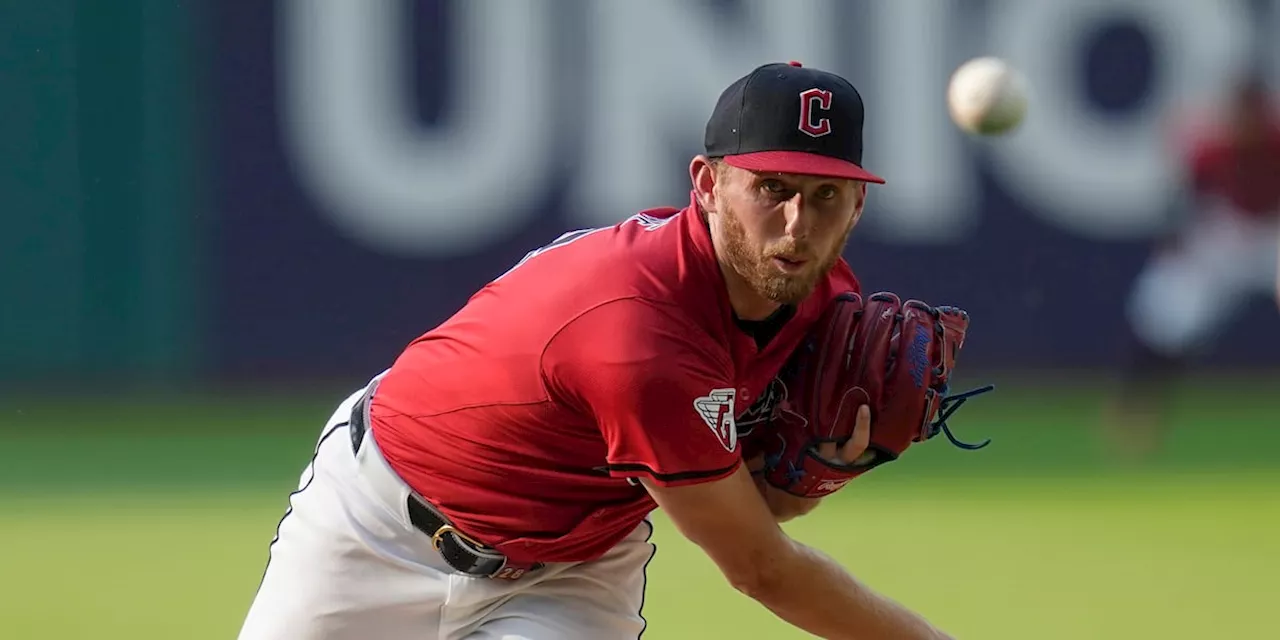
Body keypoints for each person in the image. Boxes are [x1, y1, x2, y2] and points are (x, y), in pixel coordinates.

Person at [237, 61, 955, 640]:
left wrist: (819, 472)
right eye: (771, 188)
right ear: (707, 185)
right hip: (379, 530)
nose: (797, 225)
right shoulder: (636, 332)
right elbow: (759, 567)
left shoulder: (824, 303)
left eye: (827, 195)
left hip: (573, 570)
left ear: (858, 206)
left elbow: (753, 505)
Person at [1107, 71, 1280, 457]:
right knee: (1167, 308)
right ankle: (1137, 412)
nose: (1245, 121)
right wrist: (1176, 248)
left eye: (1252, 111)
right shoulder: (1210, 145)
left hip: (1274, 229)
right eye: (1240, 112)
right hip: (1228, 231)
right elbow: (1183, 203)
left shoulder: (1275, 139)